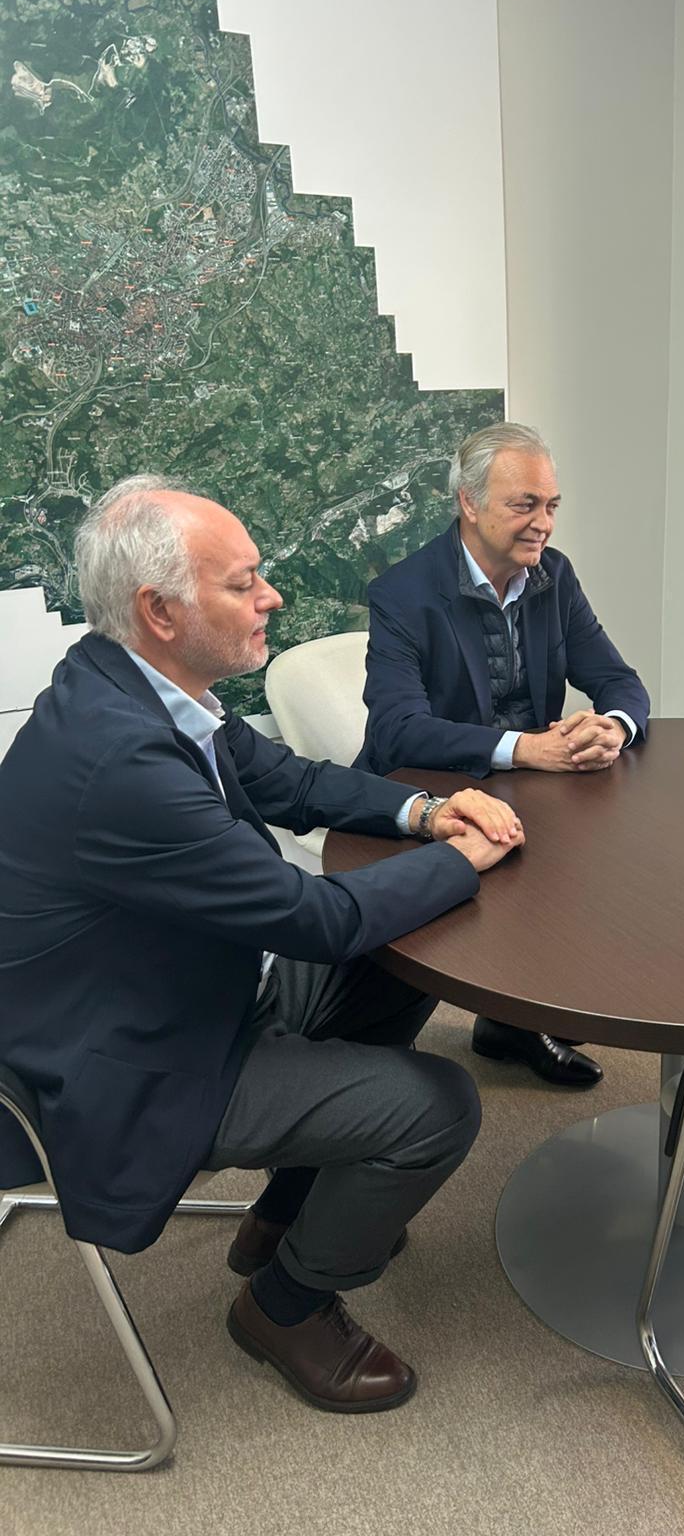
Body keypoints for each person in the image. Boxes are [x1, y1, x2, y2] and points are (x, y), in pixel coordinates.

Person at [0, 476, 525, 1414]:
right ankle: (283, 1306)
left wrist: (427, 809)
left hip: (178, 988)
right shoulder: (122, 762)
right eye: (243, 584)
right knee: (437, 1106)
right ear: (159, 611)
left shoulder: (130, 682)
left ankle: (286, 1213)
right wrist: (467, 859)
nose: (271, 597)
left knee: (404, 956)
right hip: (130, 1061)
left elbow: (284, 778)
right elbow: (313, 917)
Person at [355, 422, 650, 1087]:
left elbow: (620, 680)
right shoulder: (404, 593)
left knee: (618, 850)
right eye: (525, 505)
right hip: (430, 791)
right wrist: (526, 748)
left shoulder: (554, 576)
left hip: (526, 785)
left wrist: (615, 726)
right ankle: (491, 1019)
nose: (543, 523)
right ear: (469, 502)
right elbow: (398, 730)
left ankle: (512, 1018)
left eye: (551, 506)